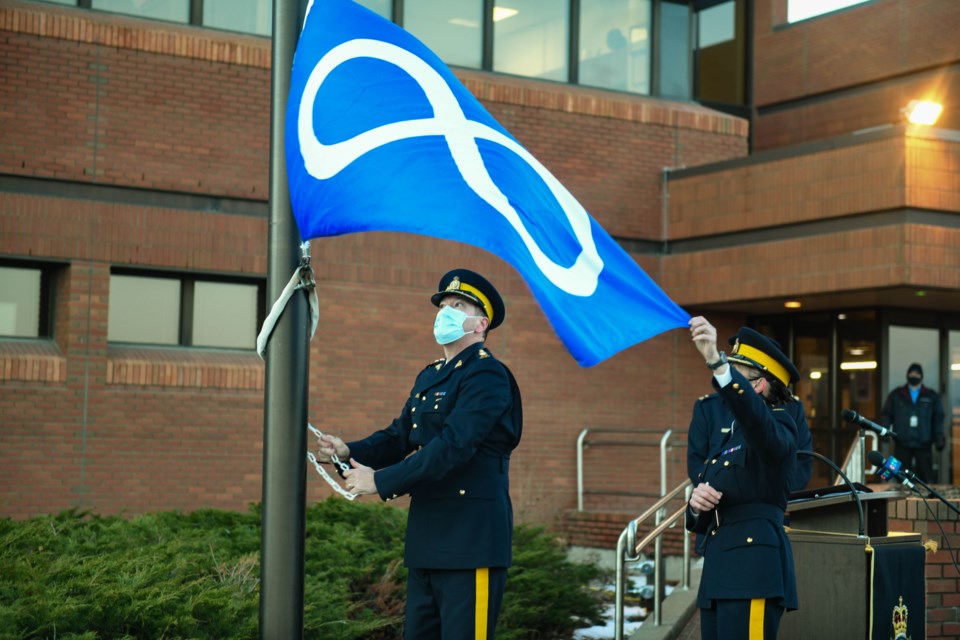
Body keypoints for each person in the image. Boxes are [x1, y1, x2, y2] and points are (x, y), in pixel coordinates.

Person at [315, 269, 522, 640]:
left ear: (481, 323)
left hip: (469, 542)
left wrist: (380, 482)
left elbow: (453, 447)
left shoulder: (487, 375)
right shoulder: (430, 377)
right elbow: (399, 437)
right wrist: (347, 451)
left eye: (458, 305)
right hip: (428, 542)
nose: (445, 312)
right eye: (443, 305)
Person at [685, 317, 799, 639]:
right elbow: (710, 497)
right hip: (720, 569)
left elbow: (756, 419)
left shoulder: (778, 426)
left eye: (738, 374)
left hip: (752, 570)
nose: (728, 385)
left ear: (759, 385)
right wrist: (696, 505)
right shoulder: (731, 435)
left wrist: (718, 363)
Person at [687, 332, 813, 494]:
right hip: (717, 507)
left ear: (758, 384)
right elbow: (697, 462)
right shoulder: (708, 407)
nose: (732, 380)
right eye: (730, 371)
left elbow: (801, 464)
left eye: (737, 375)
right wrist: (709, 492)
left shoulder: (789, 412)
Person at [881, 363, 945, 483]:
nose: (914, 375)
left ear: (921, 376)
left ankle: (924, 500)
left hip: (924, 444)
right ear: (907, 375)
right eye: (911, 373)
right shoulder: (896, 395)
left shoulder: (931, 396)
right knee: (899, 477)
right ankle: (900, 501)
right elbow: (887, 414)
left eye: (917, 373)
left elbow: (938, 418)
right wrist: (885, 432)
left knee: (925, 479)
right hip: (902, 443)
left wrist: (939, 437)